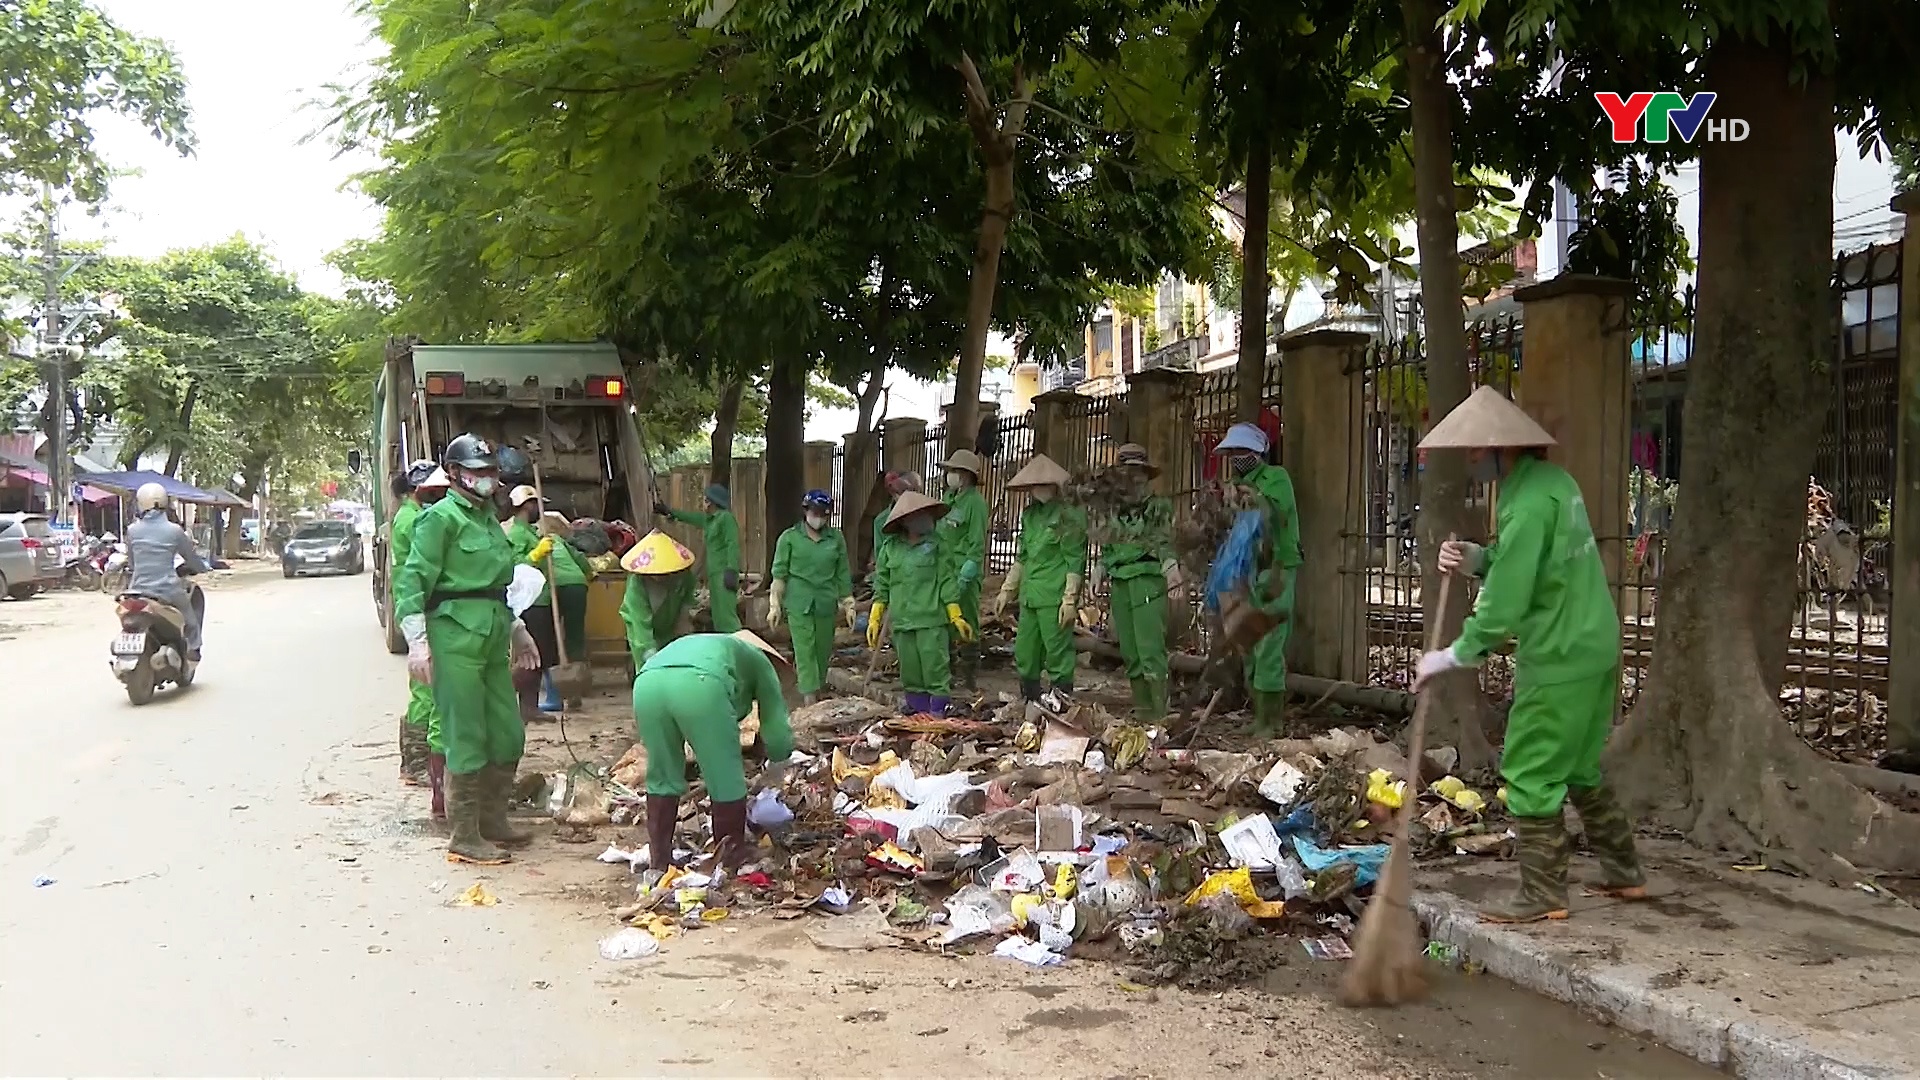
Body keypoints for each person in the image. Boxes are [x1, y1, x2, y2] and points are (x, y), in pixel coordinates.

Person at [1413, 386, 1643, 924]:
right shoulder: (1552, 485)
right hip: (1594, 643)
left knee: (1530, 767)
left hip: (1559, 652)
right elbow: (1532, 565)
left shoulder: (1527, 503)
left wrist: (1454, 654)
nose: (1471, 459)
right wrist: (1477, 558)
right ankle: (1625, 872)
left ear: (1503, 448)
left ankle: (1543, 893)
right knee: (1581, 765)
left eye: (1476, 450)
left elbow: (1507, 602)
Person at [395, 434, 544, 865]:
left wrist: (518, 629)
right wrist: (418, 643)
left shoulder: (486, 519)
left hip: (493, 633)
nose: (488, 479)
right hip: (453, 637)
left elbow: (494, 585)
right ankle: (464, 834)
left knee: (508, 732)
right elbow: (412, 582)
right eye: (478, 472)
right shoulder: (439, 519)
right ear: (457, 475)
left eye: (491, 472)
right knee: (466, 735)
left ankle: (493, 821)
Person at [632, 629, 794, 870]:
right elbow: (777, 730)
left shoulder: (714, 647)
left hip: (645, 685)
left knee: (662, 774)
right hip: (700, 685)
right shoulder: (761, 662)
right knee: (724, 774)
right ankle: (731, 854)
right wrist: (779, 760)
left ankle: (660, 859)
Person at [1212, 422, 1302, 735]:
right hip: (1246, 573)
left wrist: (1254, 496)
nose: (1236, 457)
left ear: (1256, 452)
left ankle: (1271, 724)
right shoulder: (1235, 483)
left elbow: (1279, 513)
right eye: (1232, 452)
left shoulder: (1276, 478)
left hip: (1276, 569)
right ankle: (1259, 718)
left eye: (1241, 451)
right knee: (1249, 644)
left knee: (1269, 646)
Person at [1096, 444, 1183, 721]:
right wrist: (1099, 567)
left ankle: (1158, 713)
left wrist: (1171, 567)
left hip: (1146, 578)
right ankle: (1144, 711)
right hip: (1120, 579)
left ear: (1145, 475)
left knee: (1149, 649)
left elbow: (1164, 540)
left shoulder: (1158, 507)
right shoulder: (1114, 511)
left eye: (1136, 472)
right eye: (1125, 473)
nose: (1131, 478)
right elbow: (1108, 544)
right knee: (1130, 652)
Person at [993, 454, 1087, 701]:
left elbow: (1074, 559)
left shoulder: (1069, 515)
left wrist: (1069, 599)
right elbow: (1022, 556)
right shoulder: (1030, 515)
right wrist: (1007, 590)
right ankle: (1031, 699)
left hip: (1054, 596)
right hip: (1030, 595)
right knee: (1025, 650)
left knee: (1057, 650)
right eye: (1035, 485)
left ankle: (1061, 700)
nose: (1038, 490)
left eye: (1043, 485)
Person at [870, 491, 973, 716]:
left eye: (927, 515)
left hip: (931, 620)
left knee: (935, 669)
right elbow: (883, 583)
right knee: (910, 673)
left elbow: (947, 580)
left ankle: (938, 715)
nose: (926, 519)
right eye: (920, 515)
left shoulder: (937, 545)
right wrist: (875, 616)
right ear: (906, 520)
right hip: (903, 621)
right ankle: (917, 715)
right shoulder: (891, 548)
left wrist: (955, 614)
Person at [769, 489, 854, 705]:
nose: (819, 518)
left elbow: (842, 573)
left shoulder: (836, 539)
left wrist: (848, 603)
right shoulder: (789, 538)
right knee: (804, 650)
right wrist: (774, 605)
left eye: (824, 514)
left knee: (822, 650)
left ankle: (818, 691)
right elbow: (779, 575)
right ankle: (809, 699)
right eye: (815, 513)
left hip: (826, 603)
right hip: (799, 603)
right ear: (806, 511)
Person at [125, 481, 209, 658]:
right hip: (167, 590)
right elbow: (191, 559)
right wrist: (203, 568)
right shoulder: (175, 531)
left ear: (141, 503)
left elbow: (132, 564)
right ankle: (193, 648)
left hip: (137, 590)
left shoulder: (132, 531)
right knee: (190, 617)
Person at [504, 485, 560, 723]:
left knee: (541, 655)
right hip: (530, 603)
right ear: (526, 505)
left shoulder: (529, 531)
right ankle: (512, 700)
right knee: (531, 657)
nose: (540, 509)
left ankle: (530, 706)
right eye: (536, 504)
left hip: (541, 599)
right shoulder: (516, 533)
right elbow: (514, 567)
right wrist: (535, 555)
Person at [657, 484, 742, 632]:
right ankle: (724, 648)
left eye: (704, 499)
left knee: (727, 616)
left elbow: (733, 545)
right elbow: (691, 517)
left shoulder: (726, 519)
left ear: (711, 502)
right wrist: (670, 512)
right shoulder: (709, 520)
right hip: (714, 574)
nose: (702, 502)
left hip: (724, 573)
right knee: (718, 616)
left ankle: (740, 645)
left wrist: (732, 570)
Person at [937, 450, 989, 688]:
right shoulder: (948, 499)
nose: (949, 475)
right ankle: (948, 673)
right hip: (944, 570)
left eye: (954, 471)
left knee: (966, 620)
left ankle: (969, 678)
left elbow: (977, 543)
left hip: (964, 572)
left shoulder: (976, 503)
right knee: (944, 620)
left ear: (966, 475)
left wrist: (967, 573)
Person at [619, 529, 698, 672]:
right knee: (647, 667)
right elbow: (640, 624)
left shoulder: (684, 576)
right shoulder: (637, 584)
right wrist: (649, 654)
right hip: (640, 626)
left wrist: (684, 633)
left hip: (669, 622)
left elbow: (687, 602)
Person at [538, 509, 594, 708]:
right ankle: (577, 687)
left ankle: (560, 685)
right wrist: (589, 575)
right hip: (577, 584)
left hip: (556, 585)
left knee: (552, 633)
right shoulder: (562, 542)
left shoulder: (542, 542)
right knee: (575, 634)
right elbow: (581, 560)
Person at [870, 470, 920, 579]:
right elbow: (881, 561)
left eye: (915, 491)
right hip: (895, 580)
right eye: (903, 492)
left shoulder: (929, 517)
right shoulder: (881, 521)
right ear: (893, 493)